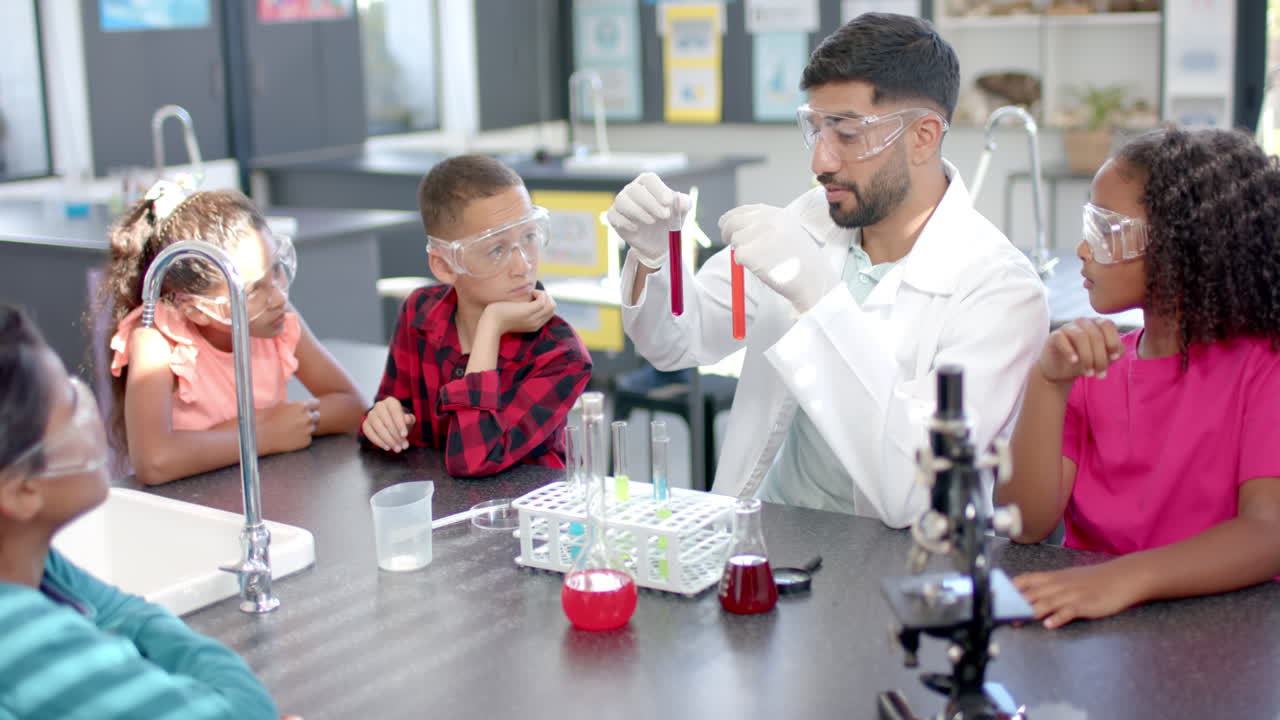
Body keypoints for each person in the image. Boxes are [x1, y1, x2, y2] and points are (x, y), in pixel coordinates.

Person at [607, 13, 1048, 527]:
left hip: (891, 569)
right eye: (815, 128)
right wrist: (654, 258)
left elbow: (911, 493)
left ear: (923, 136)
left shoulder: (1000, 292)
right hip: (767, 531)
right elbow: (676, 339)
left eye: (847, 134)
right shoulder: (810, 220)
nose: (821, 160)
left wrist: (820, 297)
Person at [1004, 127, 1280, 628]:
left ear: (1187, 246)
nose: (1083, 250)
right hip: (1093, 617)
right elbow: (1024, 524)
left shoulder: (1265, 368)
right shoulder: (1090, 365)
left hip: (1226, 628)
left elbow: (1269, 531)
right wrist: (1047, 385)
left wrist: (1125, 579)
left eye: (1106, 230)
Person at [0, 303, 286, 719]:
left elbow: (125, 613)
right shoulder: (20, 634)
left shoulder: (31, 567)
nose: (86, 409)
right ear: (21, 489)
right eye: (64, 400)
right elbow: (245, 710)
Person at [104, 182, 366, 486]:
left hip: (268, 490)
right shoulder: (158, 338)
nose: (279, 296)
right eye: (254, 288)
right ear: (195, 308)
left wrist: (288, 422)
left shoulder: (275, 315)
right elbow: (154, 461)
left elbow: (351, 406)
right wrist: (260, 434)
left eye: (276, 270)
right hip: (192, 507)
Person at [360, 154, 591, 476]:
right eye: (496, 249)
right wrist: (382, 421)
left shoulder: (560, 353)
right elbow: (391, 421)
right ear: (444, 265)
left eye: (529, 237)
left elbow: (476, 458)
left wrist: (490, 327)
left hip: (526, 517)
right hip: (438, 509)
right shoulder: (420, 313)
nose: (523, 265)